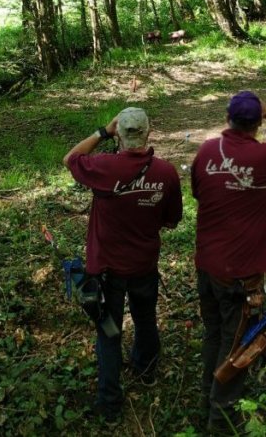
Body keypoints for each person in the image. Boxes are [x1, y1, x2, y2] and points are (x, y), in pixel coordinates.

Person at [191, 91, 266, 433]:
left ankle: (205, 401)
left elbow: (199, 192)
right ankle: (221, 422)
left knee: (215, 335)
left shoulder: (207, 150)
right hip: (240, 274)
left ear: (228, 118)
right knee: (237, 347)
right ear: (256, 124)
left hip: (207, 264)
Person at [63, 107, 183, 425]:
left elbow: (70, 158)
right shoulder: (166, 173)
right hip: (143, 263)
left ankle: (110, 405)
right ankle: (146, 371)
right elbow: (171, 221)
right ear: (148, 132)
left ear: (120, 134)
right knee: (145, 320)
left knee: (108, 334)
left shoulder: (103, 167)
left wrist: (103, 131)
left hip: (106, 271)